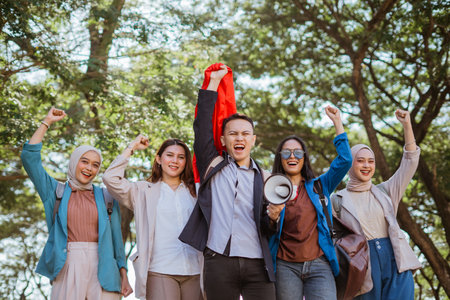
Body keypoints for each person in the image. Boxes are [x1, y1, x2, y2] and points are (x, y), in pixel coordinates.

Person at [179, 65, 277, 300]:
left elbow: (268, 228)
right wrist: (213, 83)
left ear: (253, 140)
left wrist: (273, 216)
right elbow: (202, 126)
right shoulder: (212, 165)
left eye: (245, 133)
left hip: (257, 263)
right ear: (223, 139)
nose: (239, 137)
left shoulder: (265, 179)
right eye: (233, 133)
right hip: (218, 260)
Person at [20, 107, 132, 300]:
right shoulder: (54, 192)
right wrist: (46, 122)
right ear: (74, 162)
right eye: (84, 161)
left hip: (105, 267)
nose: (89, 168)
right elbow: (30, 159)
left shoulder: (106, 197)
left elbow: (116, 241)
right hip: (68, 264)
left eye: (95, 165)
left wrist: (124, 273)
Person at [331, 109, 421, 300]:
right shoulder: (337, 200)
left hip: (396, 259)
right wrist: (338, 124)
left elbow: (410, 162)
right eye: (360, 161)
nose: (366, 165)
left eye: (371, 161)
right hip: (363, 265)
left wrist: (407, 125)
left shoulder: (386, 191)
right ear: (350, 164)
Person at [103, 135, 202, 300]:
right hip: (160, 269)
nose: (175, 161)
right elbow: (110, 179)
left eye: (181, 157)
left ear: (186, 162)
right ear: (158, 159)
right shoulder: (143, 191)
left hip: (196, 269)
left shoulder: (196, 191)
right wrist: (132, 147)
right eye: (169, 155)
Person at [268, 106, 352, 300]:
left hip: (319, 264)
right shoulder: (270, 189)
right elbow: (264, 229)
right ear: (279, 157)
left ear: (304, 158)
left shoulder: (320, 186)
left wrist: (337, 122)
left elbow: (346, 160)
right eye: (286, 153)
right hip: (285, 266)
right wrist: (271, 218)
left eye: (298, 153)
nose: (292, 157)